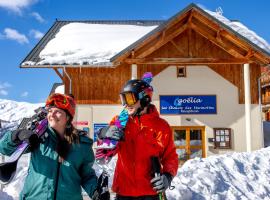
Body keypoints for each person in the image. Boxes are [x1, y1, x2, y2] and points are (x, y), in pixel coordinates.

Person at [0, 93, 109, 200]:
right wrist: (15, 136)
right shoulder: (38, 137)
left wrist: (95, 191)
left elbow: (86, 175)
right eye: (50, 111)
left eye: (58, 112)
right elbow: (4, 149)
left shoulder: (81, 145)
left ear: (68, 118)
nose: (51, 114)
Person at [98, 78, 179, 200]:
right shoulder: (120, 121)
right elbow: (104, 156)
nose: (126, 104)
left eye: (130, 99)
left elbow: (170, 157)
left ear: (144, 99)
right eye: (123, 99)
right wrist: (104, 134)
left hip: (151, 192)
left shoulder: (162, 126)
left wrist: (167, 176)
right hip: (124, 192)